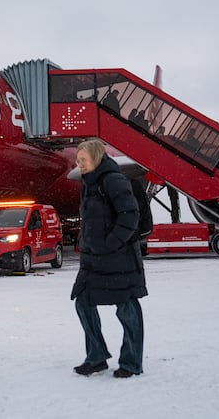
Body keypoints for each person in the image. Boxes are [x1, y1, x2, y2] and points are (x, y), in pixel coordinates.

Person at [70, 139, 147, 379]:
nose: (79, 164)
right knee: (82, 301)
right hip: (93, 259)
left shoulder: (113, 180)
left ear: (96, 157)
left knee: (126, 308)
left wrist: (111, 243)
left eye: (83, 160)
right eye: (77, 160)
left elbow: (130, 215)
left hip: (119, 258)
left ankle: (132, 362)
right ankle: (96, 357)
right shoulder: (88, 183)